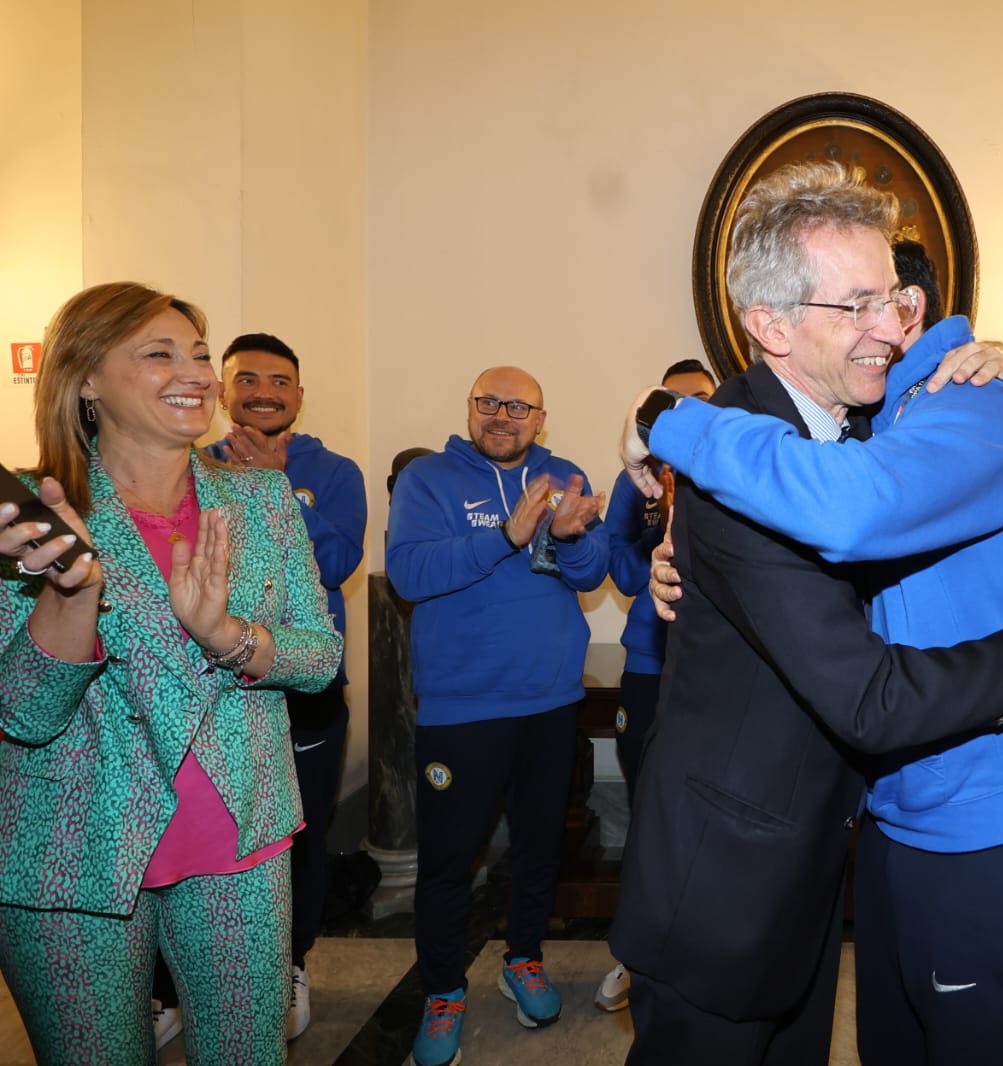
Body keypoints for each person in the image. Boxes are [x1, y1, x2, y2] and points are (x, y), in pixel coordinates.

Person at [608, 160, 1003, 1066]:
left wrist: (663, 421)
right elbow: (865, 673)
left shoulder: (950, 407)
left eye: (898, 301)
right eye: (860, 305)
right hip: (739, 882)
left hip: (952, 820)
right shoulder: (759, 463)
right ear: (770, 324)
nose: (888, 327)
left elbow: (856, 510)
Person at [0, 281, 342, 1065]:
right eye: (158, 353)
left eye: (198, 354)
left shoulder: (260, 499)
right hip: (69, 849)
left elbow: (320, 659)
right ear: (85, 377)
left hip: (239, 842)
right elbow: (24, 712)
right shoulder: (31, 511)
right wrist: (72, 591)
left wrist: (227, 635)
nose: (196, 372)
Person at [385, 366, 608, 1066]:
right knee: (450, 862)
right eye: (489, 402)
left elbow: (593, 574)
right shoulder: (429, 480)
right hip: (462, 710)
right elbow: (410, 574)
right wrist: (507, 537)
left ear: (541, 418)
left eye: (518, 406)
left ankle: (525, 958)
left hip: (550, 702)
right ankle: (444, 990)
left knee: (541, 847)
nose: (502, 415)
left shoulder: (563, 473)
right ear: (471, 409)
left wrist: (569, 537)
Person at [206, 331, 367, 1039]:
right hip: (210, 689)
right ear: (223, 390)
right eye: (248, 380)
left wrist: (279, 490)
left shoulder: (333, 471)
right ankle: (178, 984)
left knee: (298, 835)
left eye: (279, 382)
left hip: (303, 685)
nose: (264, 392)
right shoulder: (188, 466)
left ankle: (289, 962)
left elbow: (337, 563)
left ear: (299, 396)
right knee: (210, 828)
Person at [591, 357, 717, 1016]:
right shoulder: (634, 482)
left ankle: (699, 951)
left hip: (716, 670)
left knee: (707, 818)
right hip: (649, 663)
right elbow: (616, 559)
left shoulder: (731, 476)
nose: (686, 414)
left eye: (701, 402)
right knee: (649, 812)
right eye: (675, 404)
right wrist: (648, 550)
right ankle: (633, 954)